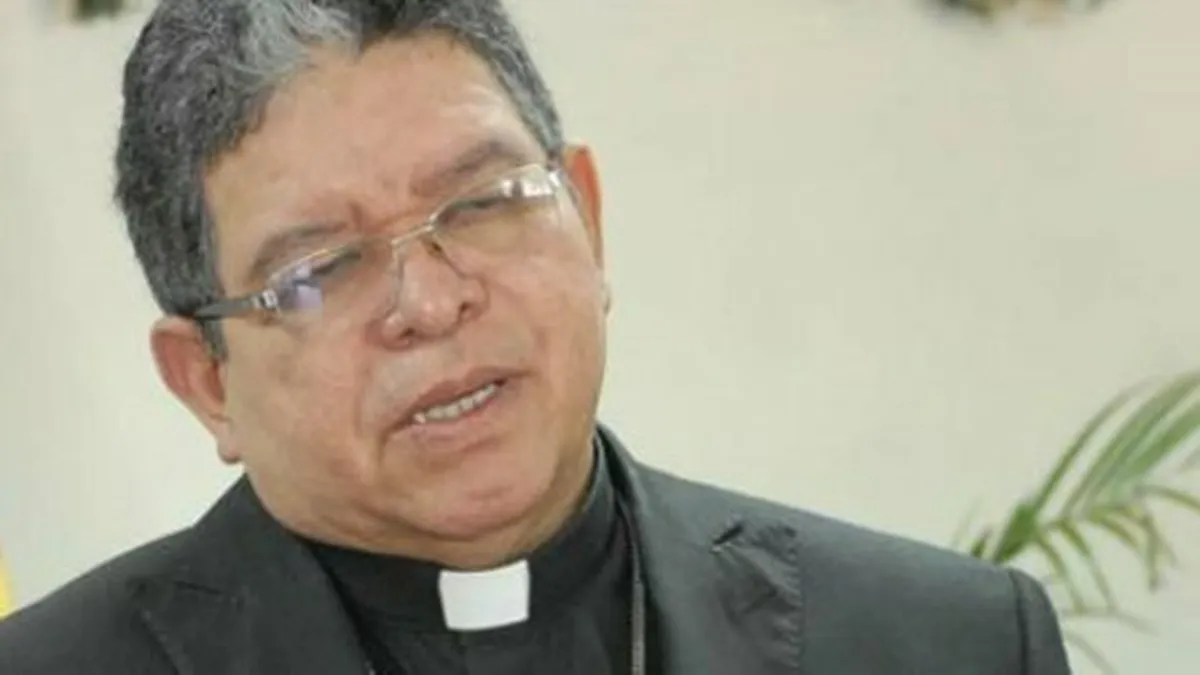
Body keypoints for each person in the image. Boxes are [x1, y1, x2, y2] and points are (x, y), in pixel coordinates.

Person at [0, 1, 1072, 673]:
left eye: (481, 203)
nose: (431, 302)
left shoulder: (950, 642)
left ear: (588, 220)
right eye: (321, 267)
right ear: (205, 381)